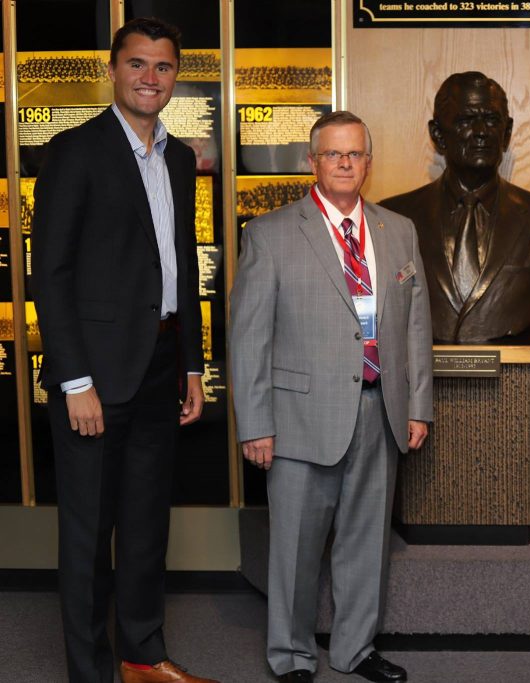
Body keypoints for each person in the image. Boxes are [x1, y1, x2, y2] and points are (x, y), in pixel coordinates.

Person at [32, 18, 216, 683]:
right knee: (88, 534)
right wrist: (74, 379)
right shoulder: (74, 150)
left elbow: (181, 263)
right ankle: (91, 674)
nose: (149, 78)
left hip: (161, 364)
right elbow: (50, 273)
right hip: (94, 374)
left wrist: (191, 363)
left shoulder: (177, 157)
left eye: (163, 67)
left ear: (175, 77)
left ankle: (142, 656)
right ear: (112, 70)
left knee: (144, 525)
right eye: (137, 64)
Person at [230, 111, 433, 683]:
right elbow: (248, 337)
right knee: (296, 547)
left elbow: (416, 324)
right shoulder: (269, 233)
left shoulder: (398, 230)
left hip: (380, 410)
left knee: (367, 544)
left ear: (368, 162)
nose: (345, 163)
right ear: (312, 162)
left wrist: (418, 405)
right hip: (300, 418)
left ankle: (354, 649)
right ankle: (292, 655)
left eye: (355, 154)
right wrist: (256, 424)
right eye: (333, 154)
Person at [380, 71, 530, 342]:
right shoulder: (394, 217)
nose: (481, 132)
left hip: (515, 366)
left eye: (492, 120)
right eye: (466, 120)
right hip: (424, 368)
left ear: (506, 133)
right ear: (438, 134)